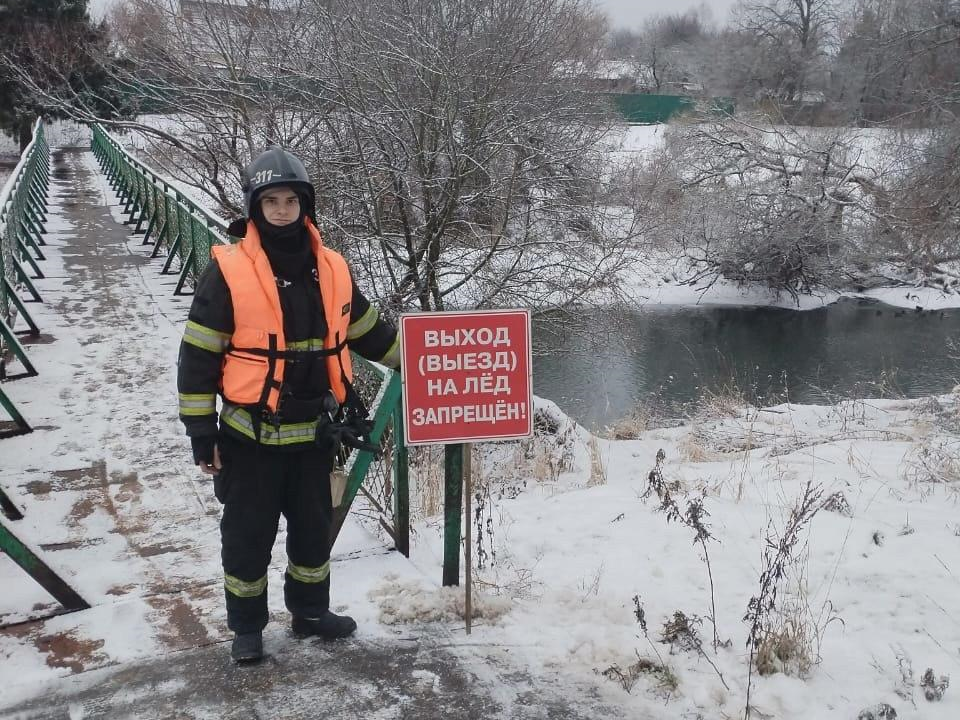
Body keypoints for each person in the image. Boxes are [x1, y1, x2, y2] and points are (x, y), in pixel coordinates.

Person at [177, 147, 400, 663]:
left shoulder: (334, 268)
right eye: (270, 201)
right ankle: (247, 628)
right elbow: (198, 358)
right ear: (254, 208)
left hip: (313, 438)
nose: (281, 210)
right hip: (248, 439)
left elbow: (367, 333)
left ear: (306, 205)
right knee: (247, 538)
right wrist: (200, 432)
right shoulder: (228, 271)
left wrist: (421, 366)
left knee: (312, 535)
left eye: (290, 200)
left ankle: (309, 613)